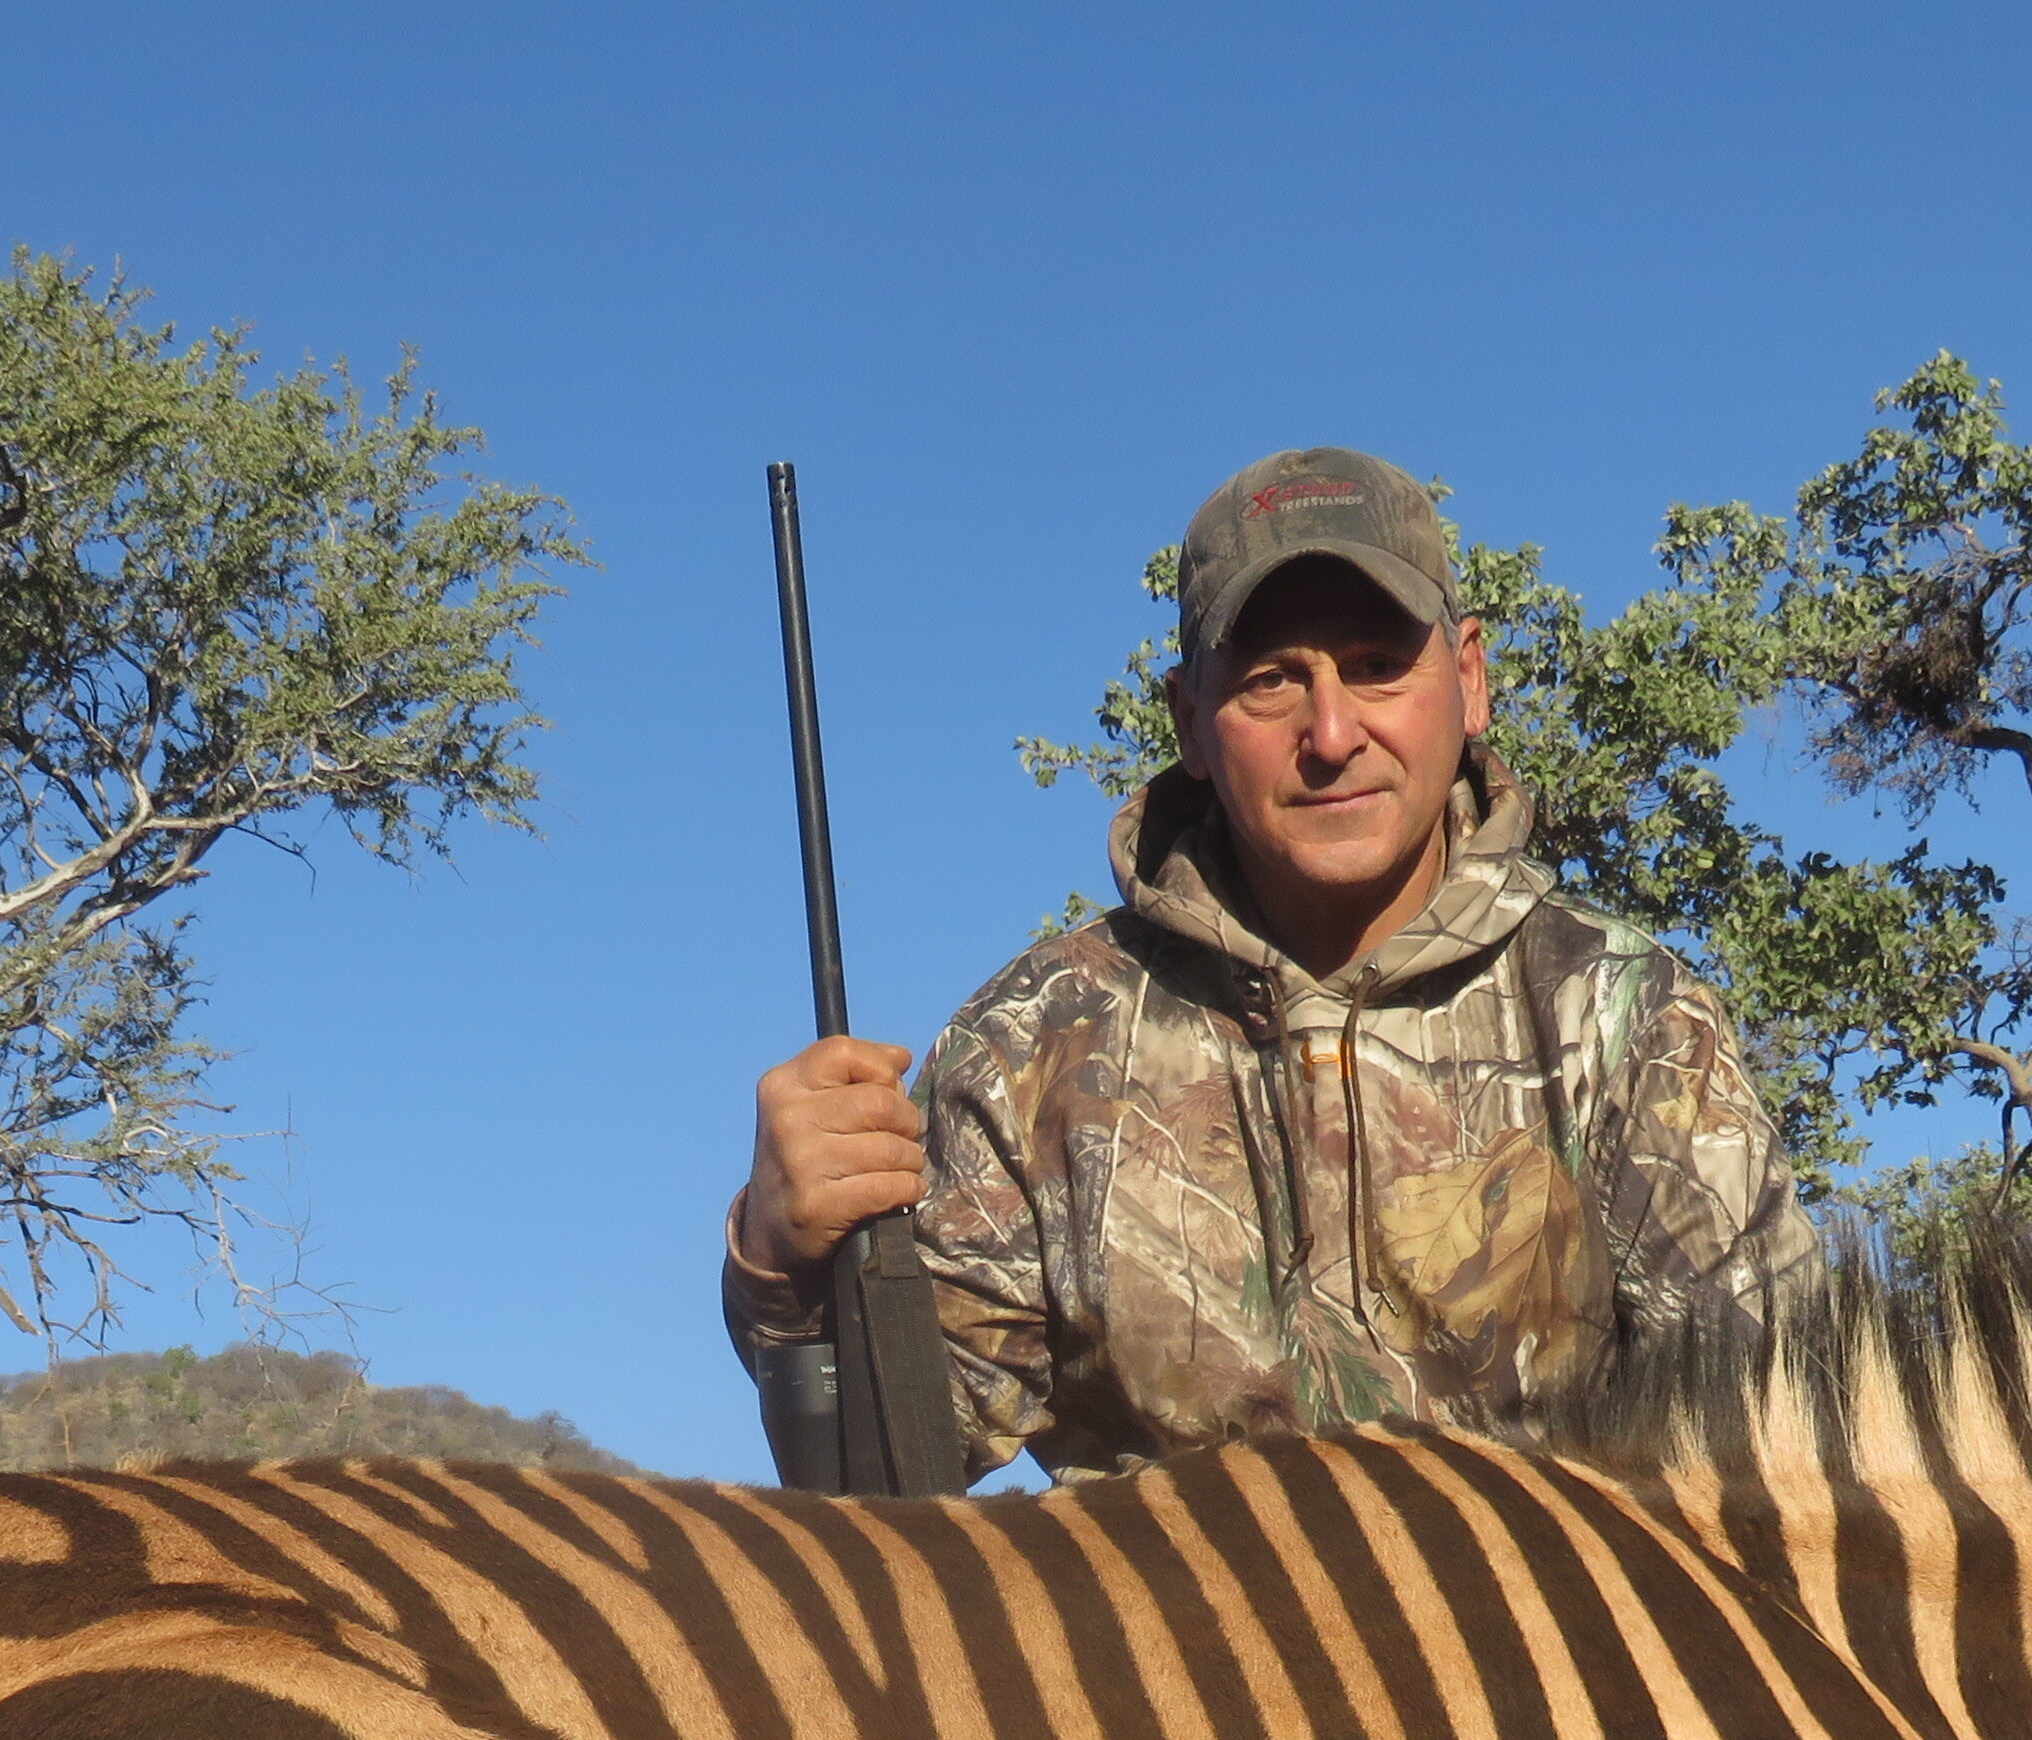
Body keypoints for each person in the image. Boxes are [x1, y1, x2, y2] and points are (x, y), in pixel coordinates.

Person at [724, 445, 1819, 1486]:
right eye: (1270, 682)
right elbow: (886, 1487)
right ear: (1190, 722)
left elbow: (1790, 1442)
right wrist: (783, 1270)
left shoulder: (1623, 1019)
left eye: (1380, 667)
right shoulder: (1036, 1043)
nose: (1332, 731)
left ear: (1471, 680)